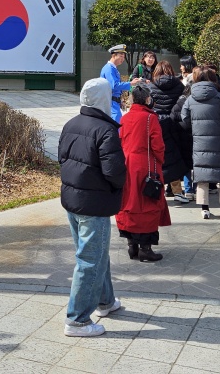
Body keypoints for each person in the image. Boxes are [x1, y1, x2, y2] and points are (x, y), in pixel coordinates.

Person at [59, 78, 127, 336]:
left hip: (73, 200)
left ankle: (105, 301)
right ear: (102, 99)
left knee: (95, 254)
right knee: (90, 259)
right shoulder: (105, 130)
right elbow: (115, 172)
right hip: (94, 203)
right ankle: (77, 319)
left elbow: (62, 159)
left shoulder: (71, 123)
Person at [115, 84, 171, 262]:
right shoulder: (150, 119)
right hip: (146, 166)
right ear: (148, 99)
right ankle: (146, 249)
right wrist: (160, 161)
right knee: (147, 203)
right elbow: (158, 146)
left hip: (127, 165)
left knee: (128, 203)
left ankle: (132, 245)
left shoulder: (125, 118)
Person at [180, 67, 220, 220]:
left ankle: (205, 209)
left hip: (199, 141)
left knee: (202, 174)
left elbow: (184, 119)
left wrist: (195, 130)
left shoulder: (190, 98)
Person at [149, 61, 192, 204]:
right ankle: (178, 191)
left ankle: (158, 189)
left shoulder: (152, 86)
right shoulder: (179, 85)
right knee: (174, 158)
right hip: (174, 124)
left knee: (157, 157)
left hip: (156, 124)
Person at [100, 45, 139, 123]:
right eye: (121, 56)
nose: (123, 59)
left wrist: (120, 101)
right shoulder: (109, 69)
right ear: (114, 55)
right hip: (111, 103)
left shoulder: (113, 68)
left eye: (123, 57)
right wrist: (130, 83)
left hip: (114, 102)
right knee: (115, 126)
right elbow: (114, 86)